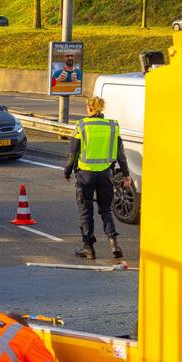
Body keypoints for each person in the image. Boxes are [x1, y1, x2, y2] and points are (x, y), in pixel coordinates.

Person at [64, 97, 130, 260]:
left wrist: (67, 171)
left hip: (85, 176)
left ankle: (88, 248)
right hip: (105, 175)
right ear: (101, 109)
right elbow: (121, 155)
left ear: (89, 108)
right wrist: (126, 175)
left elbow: (73, 152)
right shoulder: (112, 126)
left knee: (86, 212)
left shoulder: (82, 125)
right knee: (106, 209)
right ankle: (114, 245)